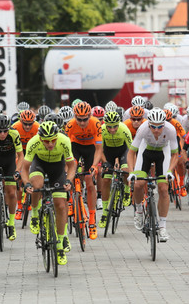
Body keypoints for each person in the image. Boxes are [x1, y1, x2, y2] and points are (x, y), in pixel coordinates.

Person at [21, 121, 76, 265]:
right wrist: (26, 183)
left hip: (57, 168)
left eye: (53, 140)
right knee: (37, 185)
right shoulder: (33, 142)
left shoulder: (64, 141)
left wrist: (69, 180)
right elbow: (24, 168)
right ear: (40, 139)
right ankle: (34, 213)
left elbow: (71, 165)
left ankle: (60, 245)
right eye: (46, 141)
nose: (50, 144)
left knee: (60, 205)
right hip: (39, 165)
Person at [127, 108, 179, 242]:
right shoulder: (143, 128)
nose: (157, 130)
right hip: (146, 152)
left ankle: (162, 227)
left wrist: (169, 171)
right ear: (148, 124)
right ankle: (138, 211)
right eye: (153, 127)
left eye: (160, 126)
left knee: (163, 188)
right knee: (139, 184)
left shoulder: (171, 130)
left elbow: (175, 154)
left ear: (164, 124)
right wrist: (132, 172)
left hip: (163, 152)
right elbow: (131, 152)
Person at [63, 101, 104, 240]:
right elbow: (65, 149)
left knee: (89, 181)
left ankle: (92, 220)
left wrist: (93, 166)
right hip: (75, 146)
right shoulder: (70, 125)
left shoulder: (96, 124)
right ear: (75, 117)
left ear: (89, 116)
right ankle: (70, 200)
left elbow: (99, 149)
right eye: (79, 119)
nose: (81, 122)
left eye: (84, 119)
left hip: (90, 149)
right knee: (71, 171)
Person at [98, 111, 133, 228]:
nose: (112, 129)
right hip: (108, 153)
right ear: (105, 124)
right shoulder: (101, 130)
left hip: (123, 151)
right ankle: (104, 213)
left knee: (126, 170)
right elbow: (99, 150)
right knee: (106, 180)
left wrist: (132, 168)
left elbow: (131, 149)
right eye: (109, 127)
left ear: (119, 124)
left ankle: (127, 191)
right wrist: (105, 162)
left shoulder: (124, 129)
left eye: (115, 126)